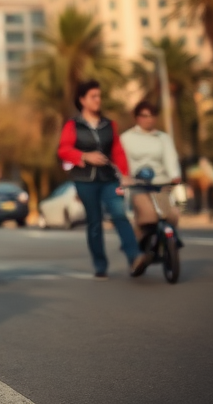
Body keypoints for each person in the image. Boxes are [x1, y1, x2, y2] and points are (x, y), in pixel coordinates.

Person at [58, 80, 148, 279]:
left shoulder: (109, 124)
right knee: (95, 222)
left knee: (119, 214)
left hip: (109, 179)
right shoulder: (73, 125)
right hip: (84, 180)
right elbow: (63, 149)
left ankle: (134, 257)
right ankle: (100, 264)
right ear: (82, 100)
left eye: (99, 96)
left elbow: (117, 151)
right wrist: (84, 156)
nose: (98, 100)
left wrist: (124, 174)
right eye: (93, 96)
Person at [121, 101, 182, 258]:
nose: (148, 119)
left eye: (152, 116)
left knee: (172, 214)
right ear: (137, 118)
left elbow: (171, 159)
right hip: (138, 185)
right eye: (144, 116)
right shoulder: (127, 138)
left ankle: (168, 243)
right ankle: (141, 246)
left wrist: (175, 175)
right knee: (148, 215)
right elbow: (122, 161)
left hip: (161, 184)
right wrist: (125, 177)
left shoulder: (163, 138)